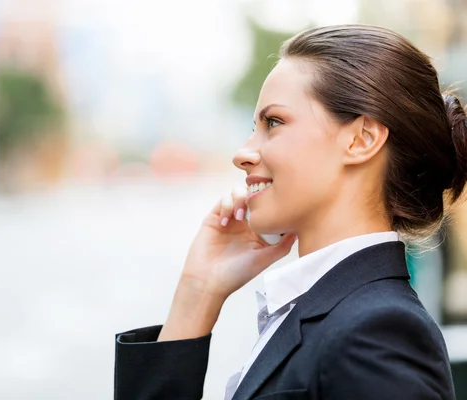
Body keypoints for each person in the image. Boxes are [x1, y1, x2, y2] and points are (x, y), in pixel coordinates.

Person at [114, 25, 462, 399]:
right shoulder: (330, 313)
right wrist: (199, 291)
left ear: (361, 140)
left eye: (273, 123)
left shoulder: (379, 334)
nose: (243, 153)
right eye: (255, 127)